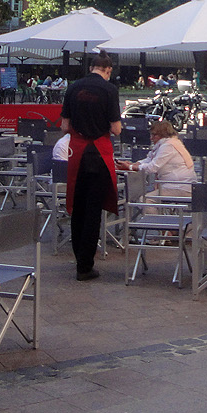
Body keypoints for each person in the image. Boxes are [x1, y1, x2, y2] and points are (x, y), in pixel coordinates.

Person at [60, 52, 122, 281]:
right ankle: (85, 266)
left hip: (77, 153)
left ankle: (79, 259)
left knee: (78, 208)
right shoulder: (109, 90)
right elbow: (116, 129)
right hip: (98, 154)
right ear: (107, 70)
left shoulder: (73, 88)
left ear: (91, 67)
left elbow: (65, 126)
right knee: (93, 210)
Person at [126, 118, 198, 199]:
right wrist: (136, 164)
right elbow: (150, 158)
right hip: (183, 185)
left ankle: (153, 212)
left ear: (163, 134)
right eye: (151, 134)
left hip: (179, 187)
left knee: (145, 200)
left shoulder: (168, 146)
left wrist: (130, 167)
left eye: (154, 135)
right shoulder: (172, 142)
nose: (151, 138)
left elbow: (152, 168)